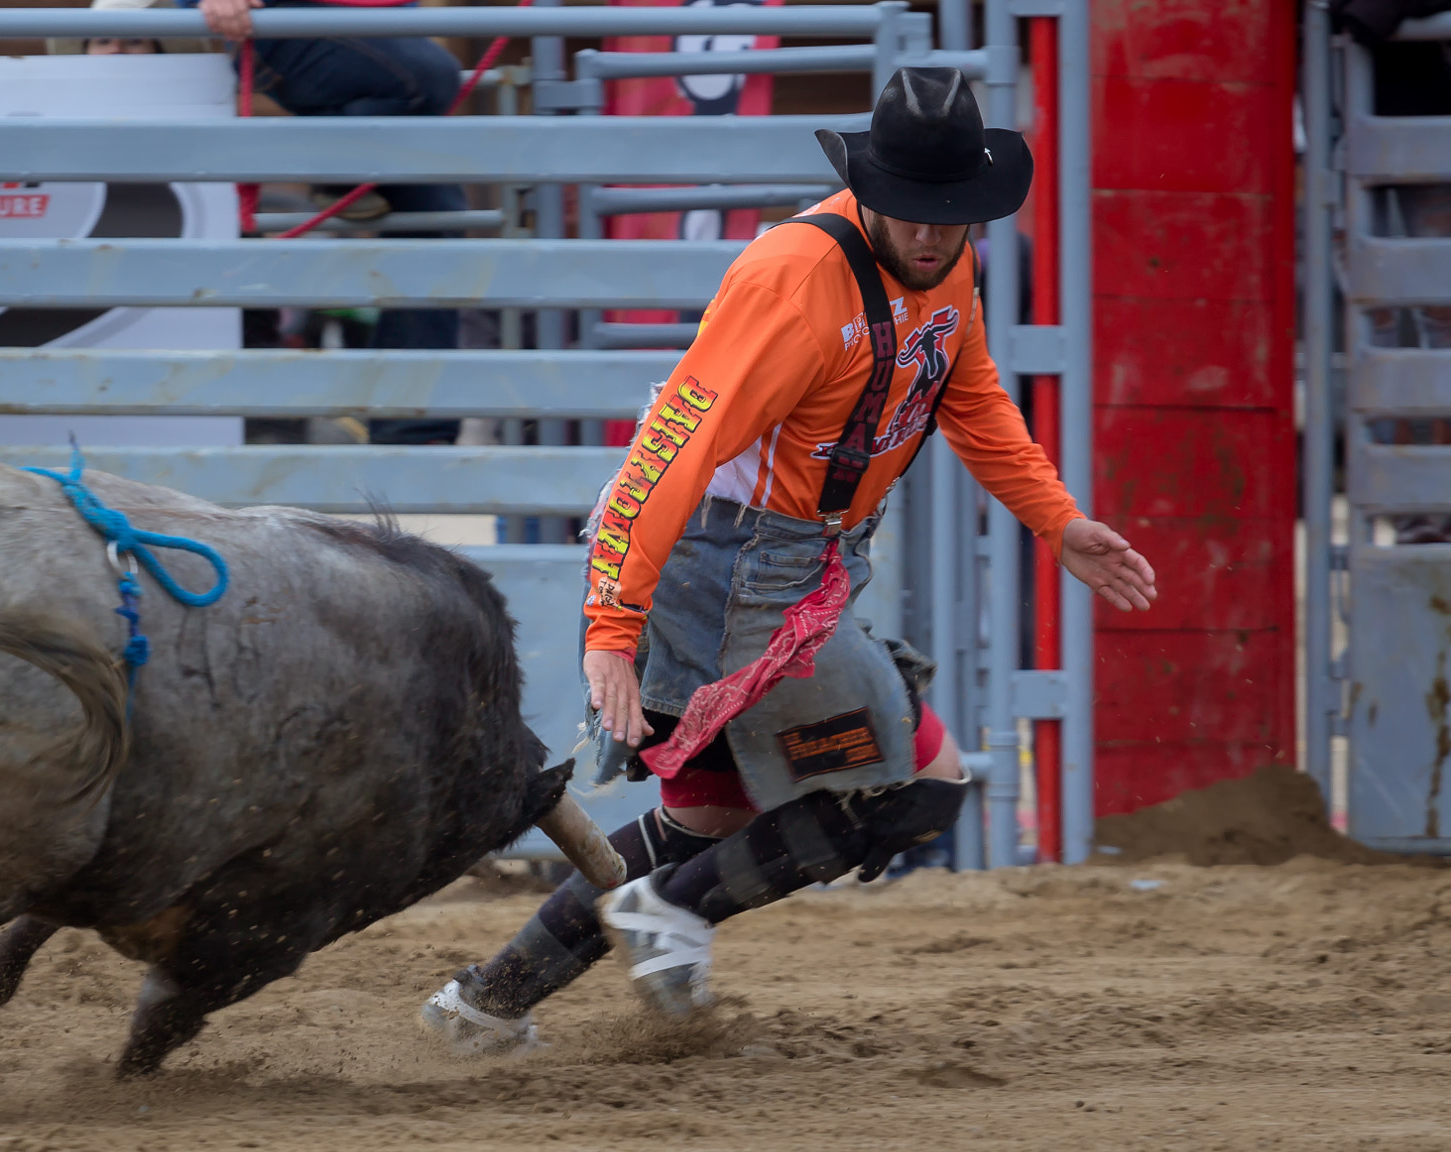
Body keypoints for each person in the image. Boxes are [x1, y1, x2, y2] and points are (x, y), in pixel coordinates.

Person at [420, 67, 1160, 1051]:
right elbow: (670, 450)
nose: (933, 234)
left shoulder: (947, 269)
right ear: (870, 188)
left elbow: (967, 398)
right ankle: (669, 917)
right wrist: (611, 628)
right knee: (918, 783)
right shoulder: (791, 280)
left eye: (952, 214)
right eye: (912, 212)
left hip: (790, 562)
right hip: (730, 568)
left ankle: (483, 1004)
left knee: (709, 818)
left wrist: (1054, 520)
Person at [196, 0, 468, 444]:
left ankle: (413, 431)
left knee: (439, 213)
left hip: (375, 26)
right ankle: (336, 165)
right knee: (429, 78)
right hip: (308, 21)